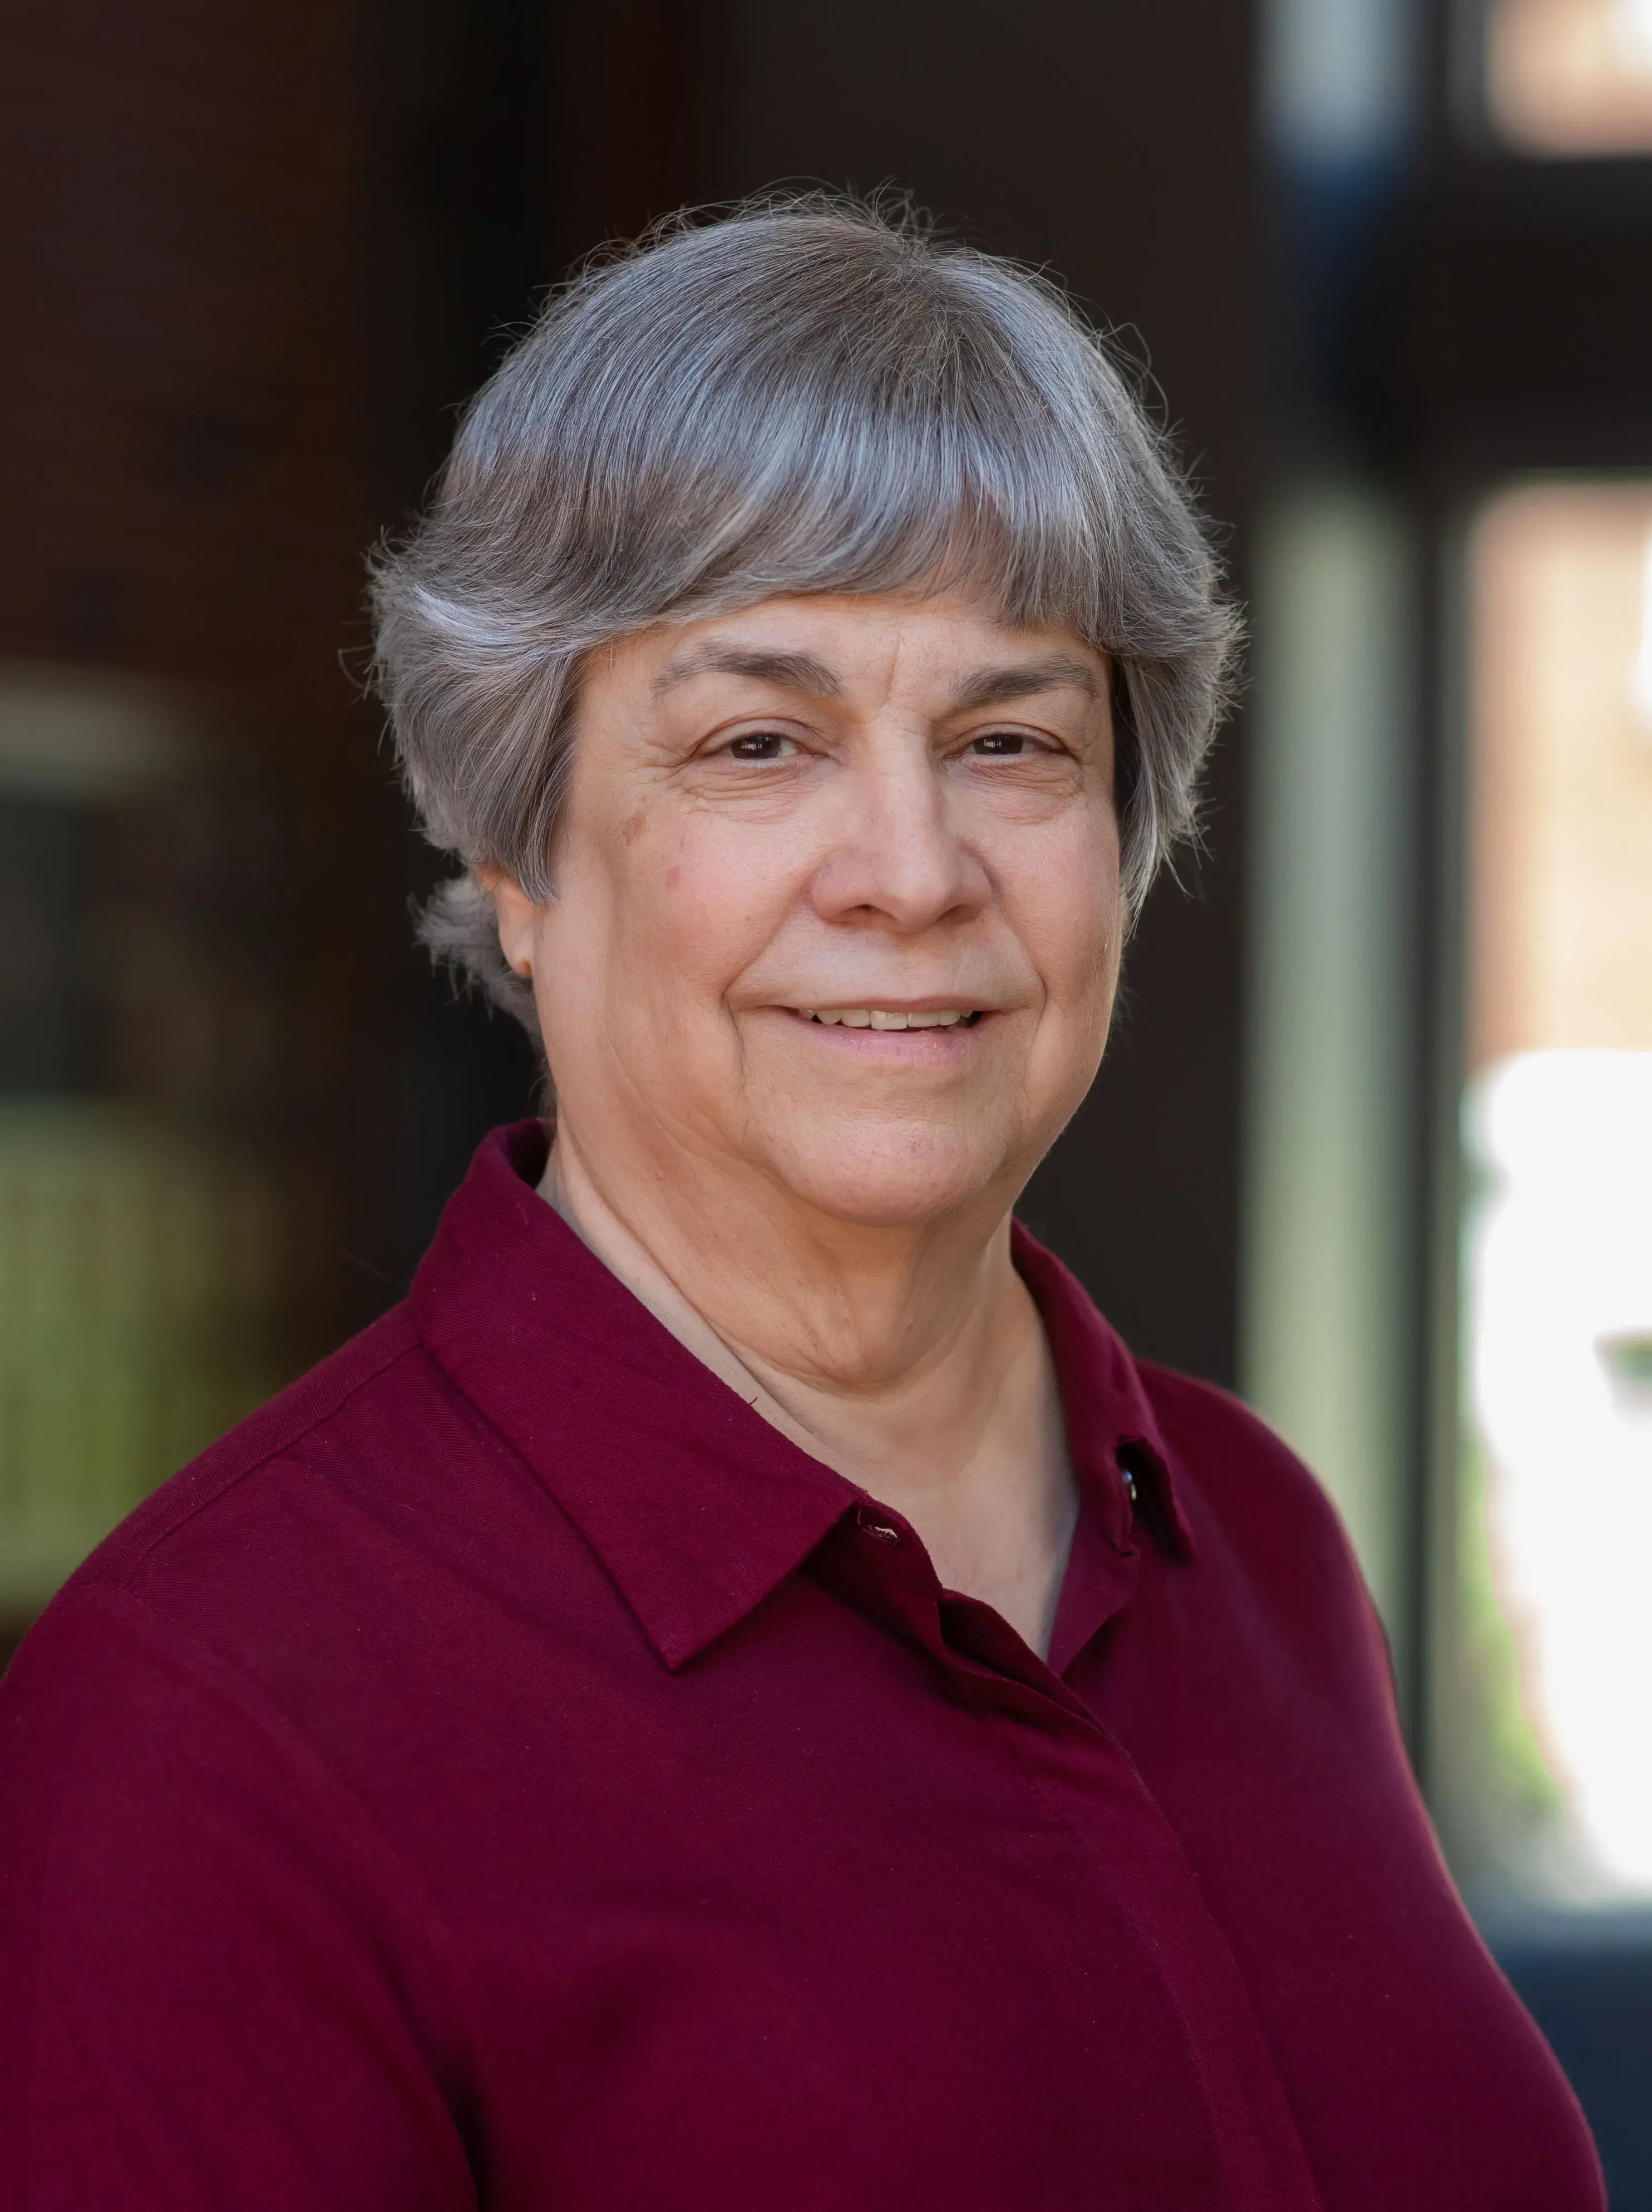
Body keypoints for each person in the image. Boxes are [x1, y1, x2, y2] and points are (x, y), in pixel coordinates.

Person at [0, 199, 1602, 2211]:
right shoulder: (212, 1714)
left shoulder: (1255, 1537)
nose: (911, 873)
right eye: (760, 743)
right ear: (516, 851)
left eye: (1011, 741)